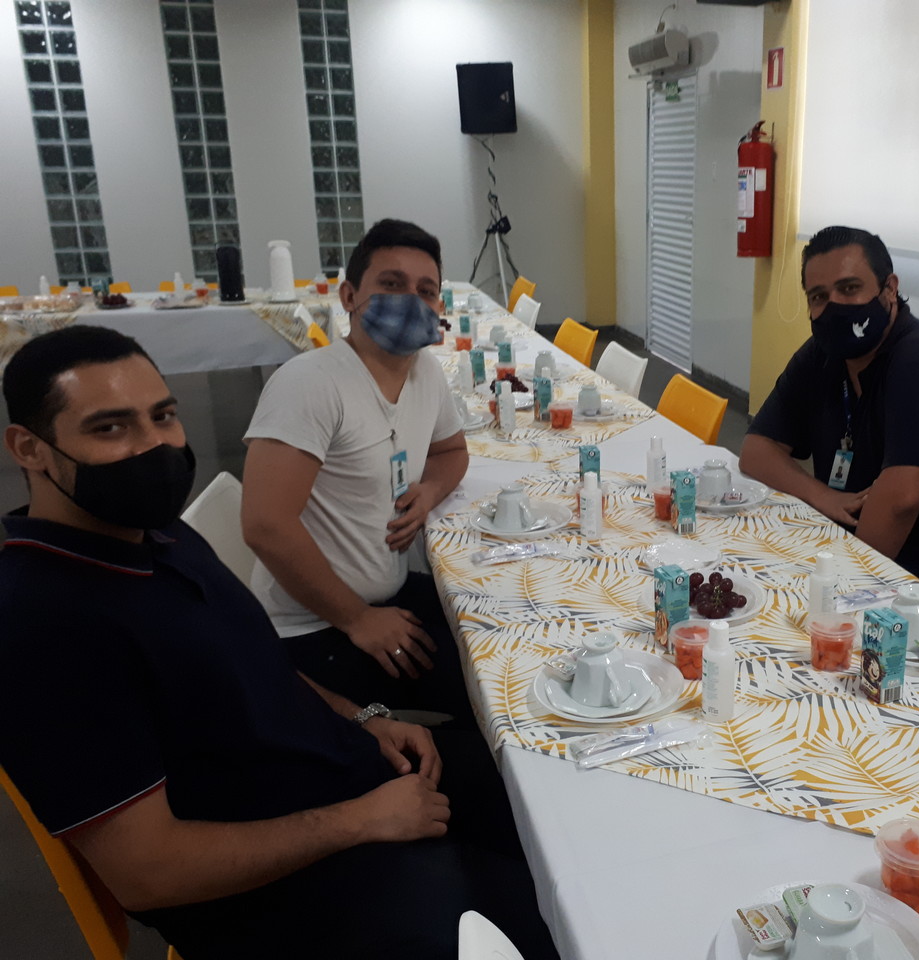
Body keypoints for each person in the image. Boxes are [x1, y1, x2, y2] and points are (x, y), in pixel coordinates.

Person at [0, 326, 557, 959]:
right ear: (29, 449)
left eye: (163, 416)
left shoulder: (154, 536)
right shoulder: (44, 624)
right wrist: (360, 822)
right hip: (285, 893)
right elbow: (148, 872)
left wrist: (364, 718)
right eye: (110, 428)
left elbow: (254, 661)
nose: (153, 445)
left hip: (344, 777)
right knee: (558, 926)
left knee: (544, 794)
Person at [242, 219, 469, 709]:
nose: (410, 300)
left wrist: (429, 492)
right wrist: (357, 619)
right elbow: (265, 525)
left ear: (439, 307)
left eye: (425, 291)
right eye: (391, 284)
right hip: (317, 626)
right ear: (349, 296)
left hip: (385, 596)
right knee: (482, 695)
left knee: (491, 631)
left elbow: (451, 452)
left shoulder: (426, 372)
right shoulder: (309, 384)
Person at [740, 226, 919, 615]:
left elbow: (902, 501)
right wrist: (823, 495)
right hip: (848, 542)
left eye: (849, 288)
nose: (834, 307)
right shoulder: (822, 354)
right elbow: (756, 450)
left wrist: (831, 596)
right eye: (819, 297)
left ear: (890, 289)